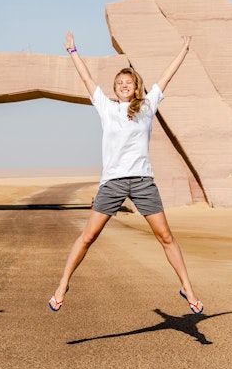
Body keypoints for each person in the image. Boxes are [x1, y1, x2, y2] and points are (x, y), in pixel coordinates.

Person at [48, 32, 203, 315]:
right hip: (113, 184)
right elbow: (86, 79)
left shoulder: (147, 106)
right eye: (119, 83)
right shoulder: (107, 108)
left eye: (128, 83)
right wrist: (73, 51)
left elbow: (166, 77)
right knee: (88, 236)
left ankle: (188, 289)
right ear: (115, 88)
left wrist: (184, 49)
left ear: (135, 87)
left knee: (166, 237)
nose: (123, 86)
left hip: (143, 183)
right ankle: (62, 285)